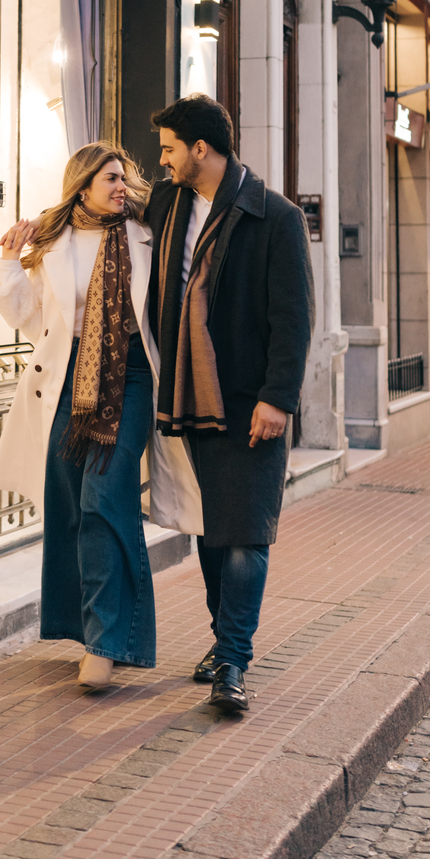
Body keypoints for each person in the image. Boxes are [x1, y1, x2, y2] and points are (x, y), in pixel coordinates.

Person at [0, 142, 202, 692]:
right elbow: (32, 321)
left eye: (124, 177)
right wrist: (9, 261)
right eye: (109, 178)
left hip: (130, 377)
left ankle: (106, 644)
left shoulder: (149, 234)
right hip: (66, 380)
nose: (120, 186)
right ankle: (94, 631)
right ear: (82, 187)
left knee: (103, 497)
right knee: (69, 506)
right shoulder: (55, 241)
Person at [147, 94, 314, 717]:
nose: (161, 161)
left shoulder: (275, 217)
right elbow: (107, 204)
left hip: (250, 402)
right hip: (193, 400)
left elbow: (294, 317)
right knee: (216, 533)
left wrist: (278, 398)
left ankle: (233, 662)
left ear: (200, 149)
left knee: (246, 534)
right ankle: (225, 643)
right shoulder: (170, 204)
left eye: (169, 149)